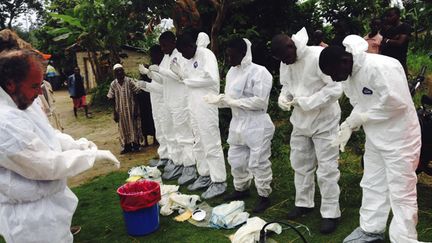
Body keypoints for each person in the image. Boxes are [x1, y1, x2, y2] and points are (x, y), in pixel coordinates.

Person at [0, 49, 120, 243]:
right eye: (34, 86)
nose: (40, 92)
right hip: (29, 219)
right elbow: (45, 164)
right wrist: (91, 157)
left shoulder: (22, 102)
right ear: (10, 84)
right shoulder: (4, 123)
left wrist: (79, 145)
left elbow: (48, 134)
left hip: (49, 207)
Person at [319, 35, 421, 243]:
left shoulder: (381, 67)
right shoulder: (349, 75)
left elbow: (397, 103)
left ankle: (404, 238)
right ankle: (371, 230)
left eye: (334, 74)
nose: (335, 80)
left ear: (345, 61)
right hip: (375, 137)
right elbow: (361, 103)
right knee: (372, 183)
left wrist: (362, 117)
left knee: (401, 191)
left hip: (400, 137)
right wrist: (349, 124)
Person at [271, 28, 343, 234]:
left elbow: (336, 88)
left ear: (291, 46)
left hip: (324, 121)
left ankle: (331, 213)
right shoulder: (286, 61)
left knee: (327, 168)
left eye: (286, 57)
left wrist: (309, 102)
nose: (285, 63)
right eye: (281, 60)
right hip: (300, 121)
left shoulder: (317, 56)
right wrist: (283, 99)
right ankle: (303, 202)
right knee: (300, 164)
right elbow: (285, 85)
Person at [205, 38, 275, 212]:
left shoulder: (260, 72)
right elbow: (231, 99)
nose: (229, 59)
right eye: (227, 56)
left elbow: (260, 102)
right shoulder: (231, 73)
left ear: (243, 54)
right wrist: (219, 101)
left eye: (231, 56)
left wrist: (232, 101)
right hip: (237, 122)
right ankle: (241, 189)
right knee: (235, 159)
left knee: (258, 162)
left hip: (257, 123)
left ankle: (264, 195)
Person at [173, 31, 227, 199]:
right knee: (198, 142)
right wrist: (181, 74)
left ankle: (219, 181)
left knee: (211, 142)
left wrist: (187, 81)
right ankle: (204, 175)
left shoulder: (205, 54)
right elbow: (189, 78)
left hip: (206, 104)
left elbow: (211, 80)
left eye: (183, 51)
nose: (183, 55)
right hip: (193, 105)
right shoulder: (189, 59)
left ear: (191, 46)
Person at [140, 31, 196, 183]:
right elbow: (163, 80)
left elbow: (179, 77)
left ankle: (190, 166)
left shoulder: (179, 56)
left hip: (181, 102)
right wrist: (150, 74)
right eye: (161, 45)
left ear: (172, 42)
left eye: (164, 45)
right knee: (174, 135)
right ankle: (177, 162)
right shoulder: (166, 58)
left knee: (184, 137)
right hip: (170, 102)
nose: (162, 48)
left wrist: (160, 70)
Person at [138, 45, 170, 166]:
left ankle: (171, 158)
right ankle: (164, 157)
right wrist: (143, 85)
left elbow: (162, 88)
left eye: (153, 55)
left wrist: (146, 84)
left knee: (167, 133)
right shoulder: (157, 67)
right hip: (156, 105)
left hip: (164, 105)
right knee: (160, 132)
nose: (151, 58)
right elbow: (154, 89)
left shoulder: (164, 67)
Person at [107, 64, 143, 154]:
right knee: (123, 128)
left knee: (133, 127)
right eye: (117, 71)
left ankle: (136, 145)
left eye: (121, 70)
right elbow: (111, 98)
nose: (120, 72)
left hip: (131, 109)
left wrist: (135, 109)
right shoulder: (113, 84)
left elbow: (137, 93)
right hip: (120, 111)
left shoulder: (129, 81)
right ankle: (126, 146)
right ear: (114, 73)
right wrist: (114, 112)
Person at [380, 7, 411, 75]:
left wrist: (387, 40)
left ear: (398, 16)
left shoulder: (405, 26)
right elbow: (382, 43)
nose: (388, 18)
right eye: (387, 16)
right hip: (387, 61)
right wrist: (394, 39)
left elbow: (400, 42)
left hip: (399, 61)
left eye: (390, 16)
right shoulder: (387, 29)